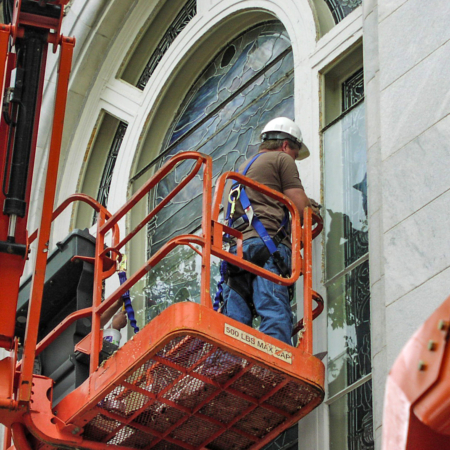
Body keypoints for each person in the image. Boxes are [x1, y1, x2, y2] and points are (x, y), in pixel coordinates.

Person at [221, 117, 318, 346]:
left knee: (235, 317)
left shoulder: (239, 172)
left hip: (235, 251)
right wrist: (313, 208)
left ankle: (229, 361)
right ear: (286, 145)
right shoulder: (281, 159)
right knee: (272, 306)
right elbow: (300, 206)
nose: (293, 158)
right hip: (268, 245)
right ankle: (275, 365)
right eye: (294, 153)